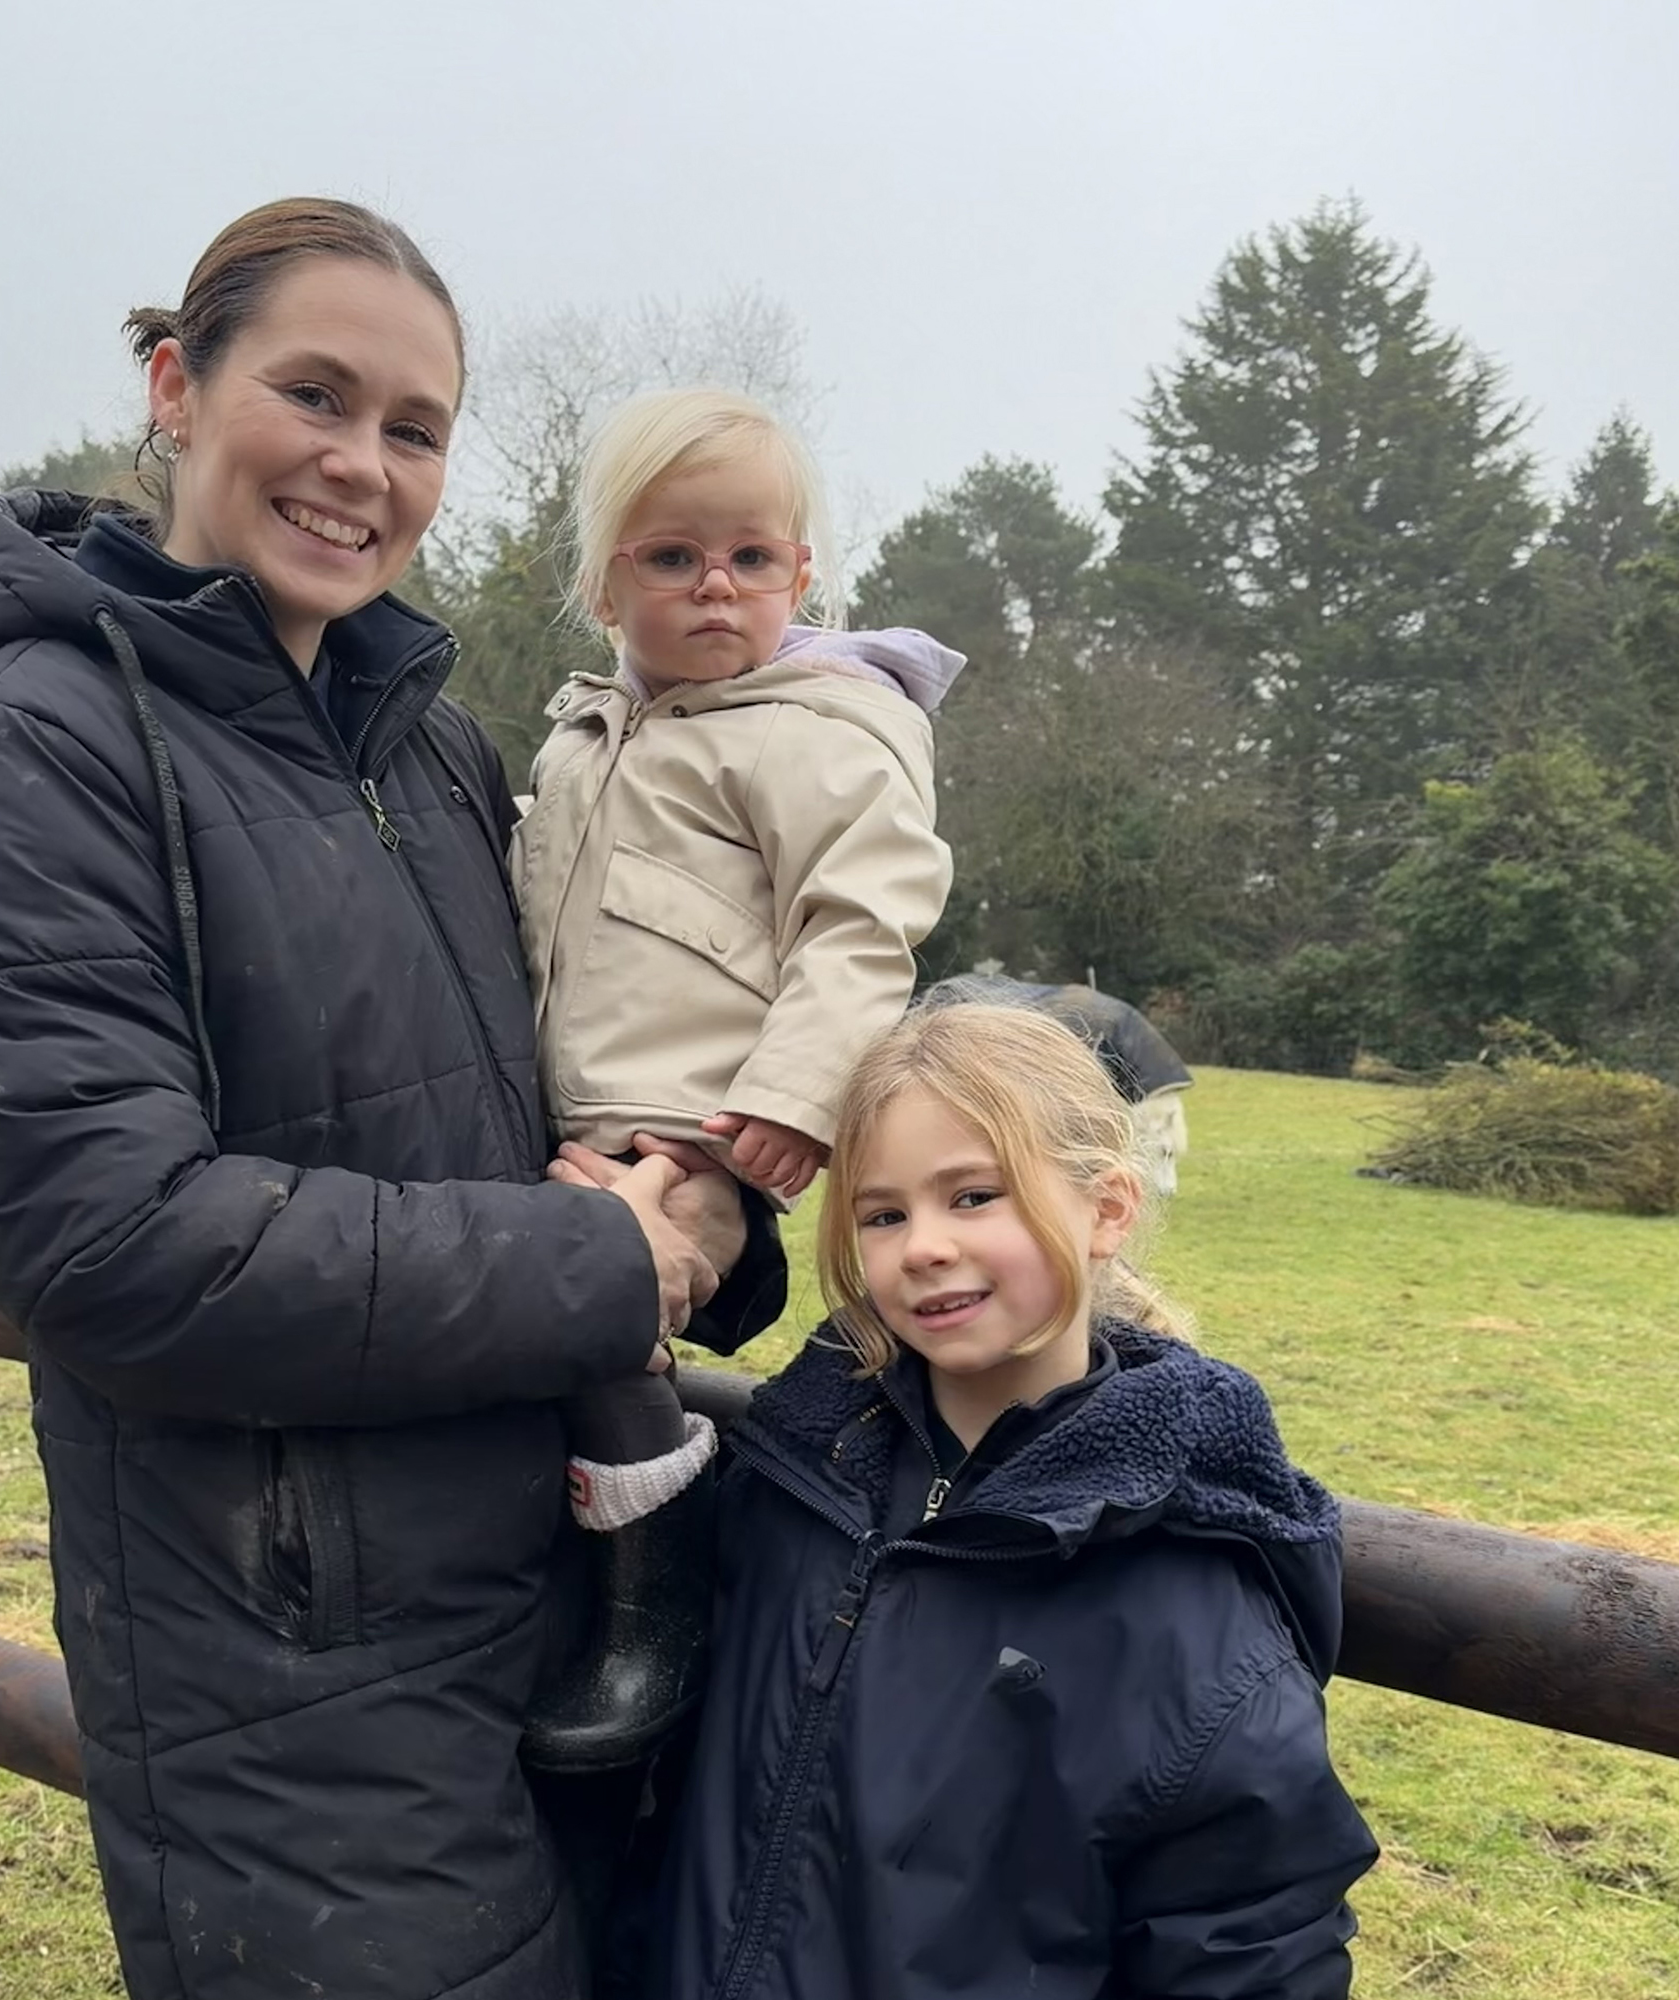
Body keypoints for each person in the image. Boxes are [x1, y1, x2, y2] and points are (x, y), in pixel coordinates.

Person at [0, 198, 783, 2000]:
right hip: (286, 1681)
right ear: (174, 387)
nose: (363, 466)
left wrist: (707, 1198)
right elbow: (121, 1245)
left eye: (417, 428)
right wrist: (613, 1269)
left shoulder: (431, 746)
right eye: (317, 394)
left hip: (565, 1605)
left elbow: (563, 1082)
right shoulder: (27, 748)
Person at [639, 1002, 1379, 1999]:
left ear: (1105, 1208)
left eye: (974, 1194)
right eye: (882, 1211)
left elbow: (1248, 1946)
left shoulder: (1188, 1594)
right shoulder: (786, 1483)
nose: (924, 1245)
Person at [511, 388, 959, 1766]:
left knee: (609, 1318)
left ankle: (663, 1603)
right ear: (603, 584)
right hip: (568, 1116)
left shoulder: (823, 732)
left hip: (702, 1129)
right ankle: (577, 1584)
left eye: (751, 559)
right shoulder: (586, 737)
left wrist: (793, 1099)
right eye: (673, 557)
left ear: (802, 573)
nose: (717, 586)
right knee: (524, 1323)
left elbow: (863, 921)